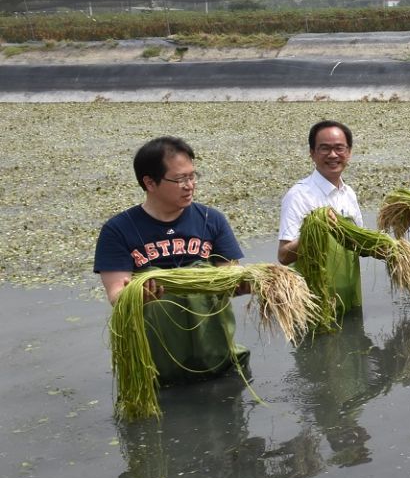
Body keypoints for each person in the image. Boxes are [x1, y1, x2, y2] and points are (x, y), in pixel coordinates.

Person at [94, 136, 249, 385]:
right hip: (155, 370)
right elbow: (116, 295)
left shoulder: (211, 219)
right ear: (149, 182)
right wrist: (138, 294)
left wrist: (246, 283)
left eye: (192, 176)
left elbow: (230, 277)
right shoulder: (119, 230)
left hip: (217, 360)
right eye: (179, 179)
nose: (189, 185)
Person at [278, 120, 364, 314]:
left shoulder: (348, 193)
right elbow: (283, 255)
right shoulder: (299, 195)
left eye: (339, 148)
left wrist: (388, 249)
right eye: (324, 148)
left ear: (349, 152)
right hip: (314, 303)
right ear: (312, 153)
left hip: (351, 298)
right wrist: (316, 228)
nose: (333, 155)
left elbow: (358, 243)